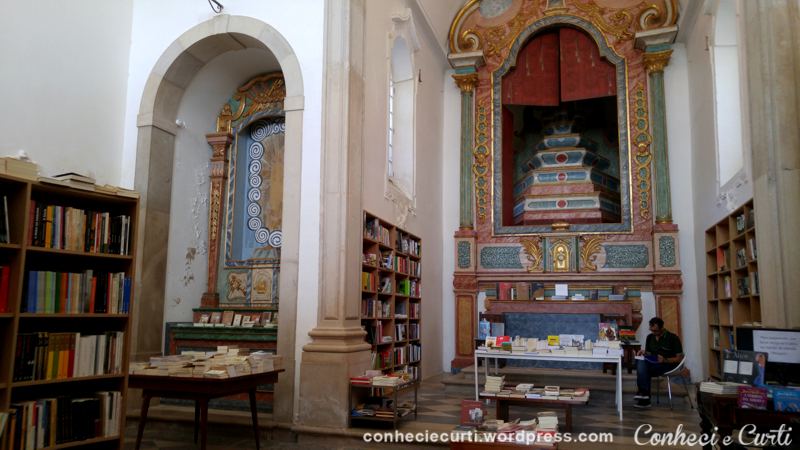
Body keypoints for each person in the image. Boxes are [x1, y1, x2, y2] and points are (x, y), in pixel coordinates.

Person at [634, 317, 684, 408]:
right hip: (653, 362)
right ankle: (644, 395)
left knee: (643, 369)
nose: (654, 333)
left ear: (662, 328)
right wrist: (644, 352)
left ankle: (644, 397)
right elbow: (650, 353)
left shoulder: (673, 338)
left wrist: (665, 360)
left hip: (668, 364)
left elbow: (679, 358)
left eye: (656, 331)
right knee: (641, 362)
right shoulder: (650, 337)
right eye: (651, 330)